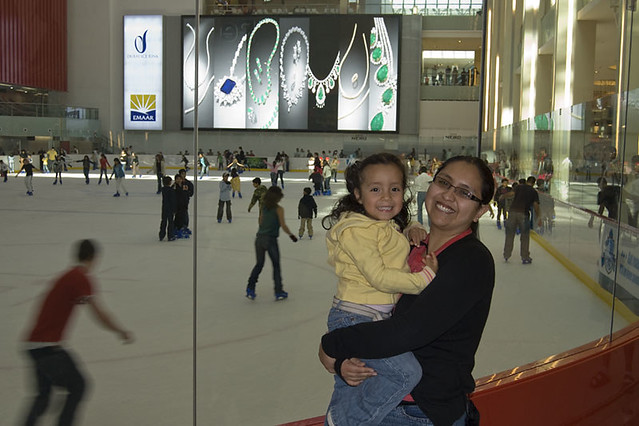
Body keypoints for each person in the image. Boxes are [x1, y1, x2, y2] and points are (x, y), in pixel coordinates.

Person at [319, 155, 495, 426]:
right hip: (380, 399)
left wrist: (332, 345)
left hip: (417, 412)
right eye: (444, 183)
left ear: (480, 210)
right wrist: (345, 363)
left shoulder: (470, 261)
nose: (448, 195)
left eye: (464, 192)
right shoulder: (411, 246)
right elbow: (375, 315)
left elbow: (406, 332)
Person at [319, 153, 438, 426]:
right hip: (356, 315)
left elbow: (389, 239)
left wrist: (412, 228)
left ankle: (338, 419)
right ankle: (351, 421)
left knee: (357, 378)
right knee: (406, 373)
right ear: (358, 194)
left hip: (370, 315)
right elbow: (379, 277)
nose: (386, 197)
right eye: (376, 189)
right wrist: (424, 279)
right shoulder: (356, 231)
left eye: (394, 189)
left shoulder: (379, 225)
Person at [22, 239, 133, 426]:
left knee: (43, 395)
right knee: (78, 385)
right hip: (48, 348)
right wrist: (120, 330)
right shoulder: (79, 278)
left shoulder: (68, 276)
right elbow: (99, 314)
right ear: (94, 258)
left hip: (33, 345)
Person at [245, 186, 298, 301]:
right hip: (271, 240)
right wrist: (291, 235)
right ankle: (278, 291)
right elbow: (283, 225)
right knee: (276, 265)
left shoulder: (264, 207)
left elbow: (260, 221)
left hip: (259, 238)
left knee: (259, 264)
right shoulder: (279, 209)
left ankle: (250, 287)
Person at [502, 176, 542, 264]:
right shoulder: (533, 192)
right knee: (524, 236)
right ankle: (525, 257)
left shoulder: (519, 187)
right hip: (523, 214)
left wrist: (503, 196)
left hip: (512, 213)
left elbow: (511, 194)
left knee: (509, 234)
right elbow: (536, 205)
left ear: (527, 181)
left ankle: (506, 254)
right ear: (534, 183)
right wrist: (538, 216)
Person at [159, 175, 177, 241]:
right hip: (170, 208)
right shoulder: (171, 191)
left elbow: (168, 189)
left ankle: (161, 235)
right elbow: (173, 200)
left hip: (164, 208)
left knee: (163, 221)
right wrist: (174, 209)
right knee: (170, 222)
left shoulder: (163, 189)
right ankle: (170, 236)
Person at [174, 174, 190, 238]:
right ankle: (177, 230)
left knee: (182, 218)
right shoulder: (174, 187)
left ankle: (180, 229)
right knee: (178, 218)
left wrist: (186, 202)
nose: (179, 180)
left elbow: (187, 194)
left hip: (183, 205)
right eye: (177, 179)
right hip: (177, 206)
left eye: (179, 179)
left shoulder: (184, 186)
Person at [178, 168, 194, 234]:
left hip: (185, 202)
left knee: (184, 213)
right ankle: (179, 226)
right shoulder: (177, 183)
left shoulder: (188, 183)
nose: (184, 175)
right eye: (182, 174)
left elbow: (191, 193)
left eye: (184, 174)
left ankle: (185, 226)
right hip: (178, 202)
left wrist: (187, 194)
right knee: (178, 214)